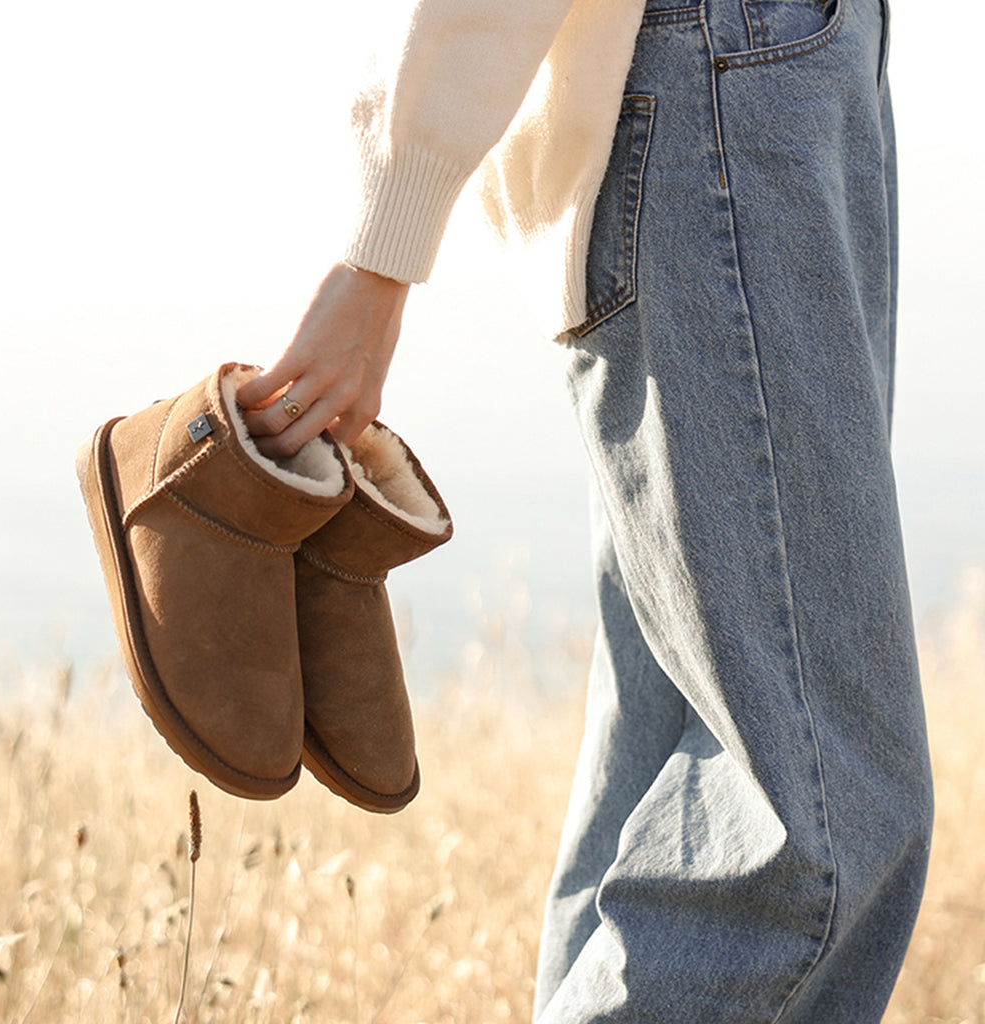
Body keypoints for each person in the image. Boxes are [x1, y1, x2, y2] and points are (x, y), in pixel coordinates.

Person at [239, 0, 933, 1019]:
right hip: (724, 94)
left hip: (773, 80)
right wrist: (384, 245)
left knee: (671, 756)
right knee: (817, 819)